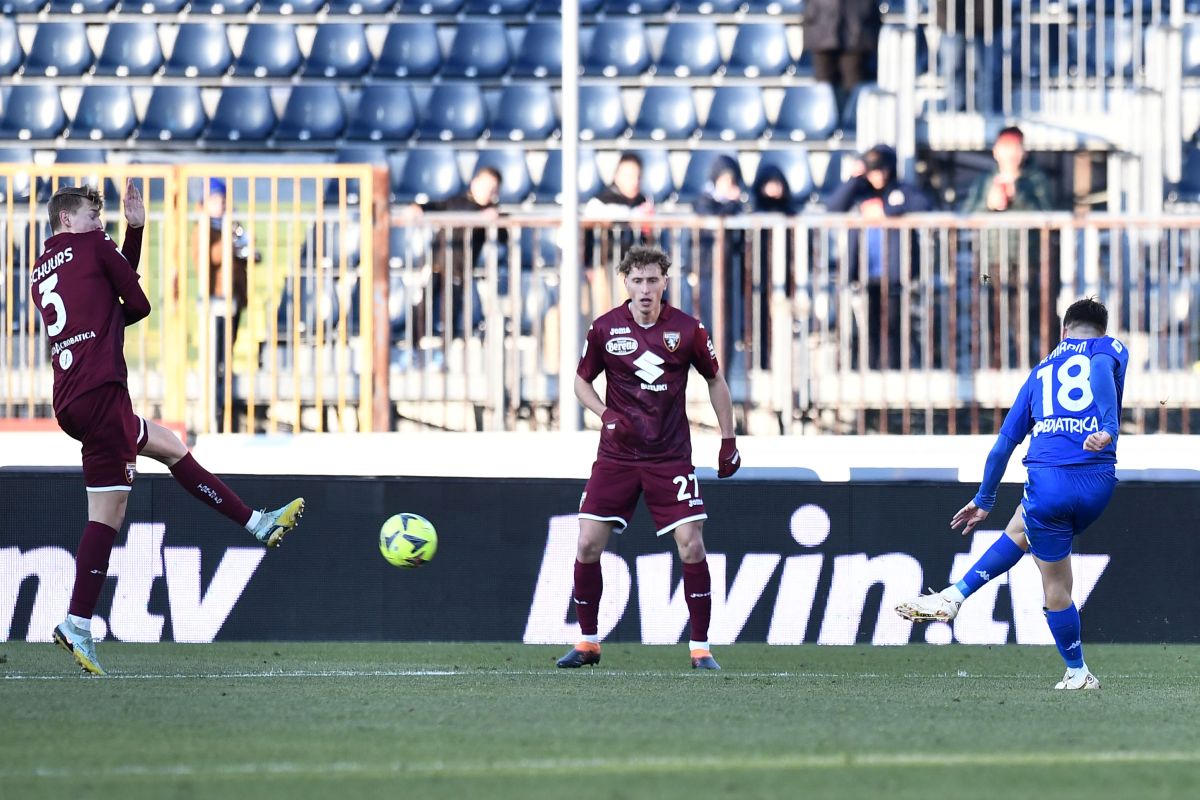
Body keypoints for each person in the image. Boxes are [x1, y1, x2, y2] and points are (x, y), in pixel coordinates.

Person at [30, 181, 304, 676]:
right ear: (68, 220)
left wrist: (121, 255)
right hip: (102, 389)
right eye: (94, 217)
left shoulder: (39, 270)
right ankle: (77, 622)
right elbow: (135, 304)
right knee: (107, 514)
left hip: (71, 396)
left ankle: (256, 522)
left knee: (171, 447)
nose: (100, 224)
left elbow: (109, 302)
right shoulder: (94, 245)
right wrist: (135, 233)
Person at [895, 297, 1127, 690]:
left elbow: (1004, 445)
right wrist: (1107, 427)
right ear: (1102, 331)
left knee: (1056, 585)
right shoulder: (1113, 348)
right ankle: (954, 595)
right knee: (1021, 528)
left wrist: (984, 499)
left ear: (1063, 331)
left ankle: (1076, 672)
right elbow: (1102, 368)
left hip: (1049, 484)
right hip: (1099, 482)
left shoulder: (1040, 373)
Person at [557, 245, 741, 671]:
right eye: (637, 281)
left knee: (692, 546)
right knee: (587, 543)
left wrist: (728, 439)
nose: (644, 290)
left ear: (665, 283)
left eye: (652, 280)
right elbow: (580, 383)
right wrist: (605, 414)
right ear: (625, 283)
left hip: (669, 455)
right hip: (617, 456)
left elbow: (716, 381)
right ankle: (587, 642)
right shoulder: (604, 329)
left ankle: (700, 648)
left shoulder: (688, 330)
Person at [826, 145, 934, 369]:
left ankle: (893, 373)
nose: (878, 175)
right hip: (866, 273)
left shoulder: (900, 190)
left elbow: (924, 203)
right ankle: (871, 373)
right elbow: (833, 207)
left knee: (894, 327)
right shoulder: (860, 191)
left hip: (894, 274)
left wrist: (886, 210)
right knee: (869, 329)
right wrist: (854, 179)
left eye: (882, 169)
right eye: (873, 170)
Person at [961, 126, 1058, 366]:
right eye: (1006, 147)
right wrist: (990, 205)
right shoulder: (984, 181)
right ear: (995, 151)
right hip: (988, 264)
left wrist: (1019, 197)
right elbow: (966, 215)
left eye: (1016, 147)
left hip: (1026, 262)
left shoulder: (1036, 181)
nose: (1011, 154)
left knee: (1024, 316)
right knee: (990, 312)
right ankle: (994, 368)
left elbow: (1048, 215)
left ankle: (1028, 369)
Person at [403, 164, 505, 339]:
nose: (488, 192)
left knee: (450, 312)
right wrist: (417, 207)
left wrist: (496, 220)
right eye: (485, 186)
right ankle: (411, 347)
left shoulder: (490, 213)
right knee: (421, 307)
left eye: (493, 189)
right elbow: (433, 206)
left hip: (458, 271)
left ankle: (444, 356)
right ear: (474, 183)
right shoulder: (455, 202)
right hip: (435, 264)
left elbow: (504, 235)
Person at [196, 178, 251, 432]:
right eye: (216, 200)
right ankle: (213, 414)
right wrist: (231, 241)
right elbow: (210, 257)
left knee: (226, 357)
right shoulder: (204, 227)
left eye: (222, 200)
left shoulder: (230, 226)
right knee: (214, 358)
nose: (221, 205)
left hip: (233, 299)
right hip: (214, 300)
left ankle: (225, 409)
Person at [583, 152, 654, 316]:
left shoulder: (643, 203)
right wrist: (588, 266)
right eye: (629, 176)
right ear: (616, 176)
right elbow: (587, 236)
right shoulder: (600, 202)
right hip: (604, 267)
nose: (634, 181)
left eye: (637, 176)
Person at [805, 0, 882, 108]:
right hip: (821, 22)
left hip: (858, 23)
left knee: (854, 89)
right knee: (824, 91)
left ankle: (853, 122)